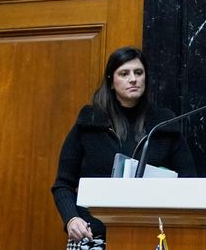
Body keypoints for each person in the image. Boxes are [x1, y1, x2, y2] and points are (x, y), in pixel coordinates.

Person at [52, 46, 196, 249]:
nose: (133, 79)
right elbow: (62, 185)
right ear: (111, 81)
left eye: (138, 73)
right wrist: (71, 219)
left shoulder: (164, 125)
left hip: (152, 234)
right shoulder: (89, 122)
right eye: (124, 73)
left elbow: (189, 182)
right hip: (94, 235)